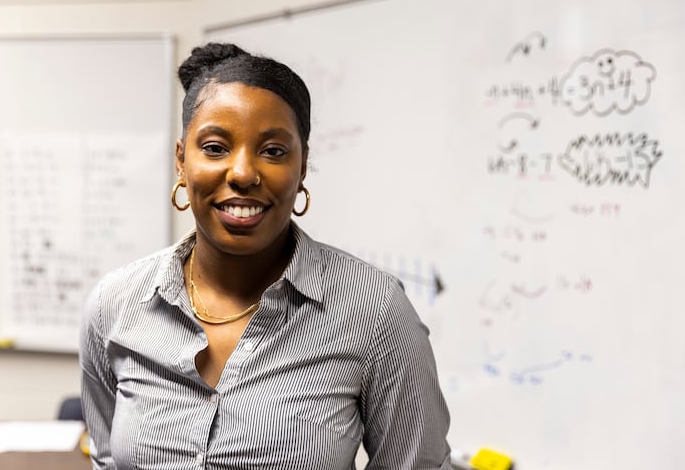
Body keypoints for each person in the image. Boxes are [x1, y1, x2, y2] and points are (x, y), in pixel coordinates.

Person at [79, 42, 453, 469]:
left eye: (273, 151)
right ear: (182, 161)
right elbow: (106, 459)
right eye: (215, 147)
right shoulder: (115, 305)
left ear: (303, 165)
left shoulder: (375, 311)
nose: (242, 174)